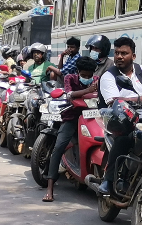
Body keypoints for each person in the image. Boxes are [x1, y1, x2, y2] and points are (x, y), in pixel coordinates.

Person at [97, 36, 142, 194]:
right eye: (117, 53)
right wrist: (140, 100)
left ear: (133, 56)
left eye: (124, 53)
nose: (119, 56)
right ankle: (109, 179)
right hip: (119, 118)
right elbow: (115, 103)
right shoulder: (108, 76)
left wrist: (131, 99)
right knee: (126, 137)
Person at [42, 56, 100, 202]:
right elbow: (69, 94)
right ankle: (50, 188)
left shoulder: (97, 80)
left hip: (92, 118)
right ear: (78, 71)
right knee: (59, 147)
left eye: (89, 75)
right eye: (84, 75)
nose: (87, 77)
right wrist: (88, 90)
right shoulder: (70, 78)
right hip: (72, 117)